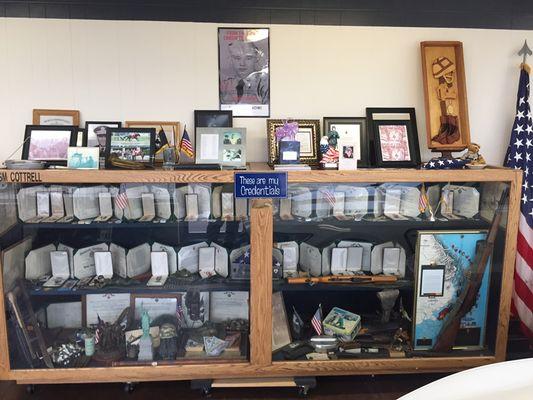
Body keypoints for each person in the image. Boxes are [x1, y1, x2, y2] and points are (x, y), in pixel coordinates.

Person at [220, 40, 269, 105]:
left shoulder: (264, 84)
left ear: (256, 58)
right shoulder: (224, 86)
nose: (242, 64)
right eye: (237, 58)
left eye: (248, 58)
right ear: (231, 59)